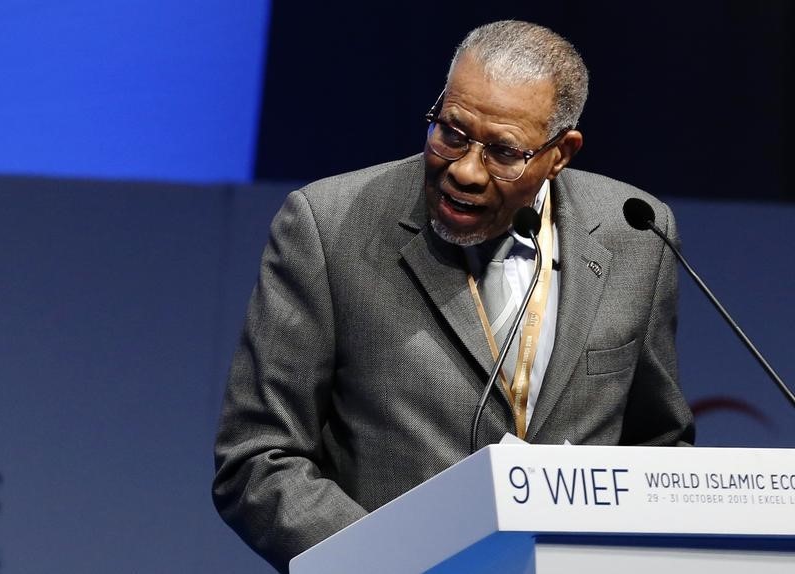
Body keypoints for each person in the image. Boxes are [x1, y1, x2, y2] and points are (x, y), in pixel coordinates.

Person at [212, 20, 695, 573]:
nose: (465, 170)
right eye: (452, 133)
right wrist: (397, 563)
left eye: (503, 152)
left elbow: (657, 447)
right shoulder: (328, 227)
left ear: (561, 154)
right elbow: (258, 459)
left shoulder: (635, 233)